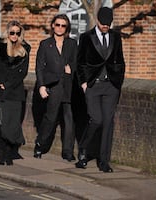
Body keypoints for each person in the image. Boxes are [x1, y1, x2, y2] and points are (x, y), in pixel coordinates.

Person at [76, 7, 126, 173]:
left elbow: (120, 60)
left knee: (107, 123)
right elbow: (80, 63)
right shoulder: (85, 38)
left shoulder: (116, 37)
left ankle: (104, 162)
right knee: (96, 119)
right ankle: (83, 148)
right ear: (97, 21)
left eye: (108, 23)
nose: (106, 26)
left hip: (111, 86)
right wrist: (83, 83)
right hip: (93, 85)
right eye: (103, 23)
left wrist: (118, 82)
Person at [33, 14, 77, 161]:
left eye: (63, 26)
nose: (60, 28)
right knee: (50, 118)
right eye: (57, 25)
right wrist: (41, 86)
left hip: (69, 86)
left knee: (69, 120)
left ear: (67, 28)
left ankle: (68, 152)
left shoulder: (72, 44)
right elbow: (39, 67)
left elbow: (77, 62)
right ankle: (40, 144)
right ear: (53, 25)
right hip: (54, 85)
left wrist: (71, 68)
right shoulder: (45, 44)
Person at [0, 20, 31, 166]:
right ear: (7, 32)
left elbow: (23, 73)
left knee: (12, 124)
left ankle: (9, 152)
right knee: (2, 124)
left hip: (15, 91)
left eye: (17, 33)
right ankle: (2, 154)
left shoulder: (25, 48)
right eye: (12, 32)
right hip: (0, 91)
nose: (14, 35)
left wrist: (8, 85)